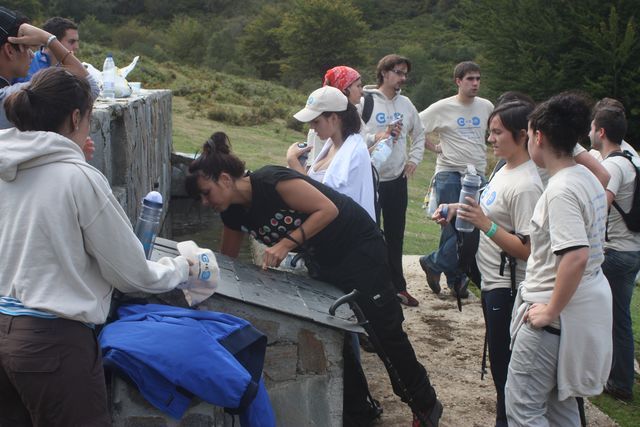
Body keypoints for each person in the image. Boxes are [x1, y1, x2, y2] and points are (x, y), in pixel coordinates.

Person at [186, 133, 443, 426]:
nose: (205, 202)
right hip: (324, 260)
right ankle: (358, 412)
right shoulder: (232, 213)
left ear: (224, 178)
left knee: (384, 332)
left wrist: (284, 244)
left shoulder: (270, 182)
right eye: (200, 198)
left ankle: (425, 404)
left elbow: (328, 209)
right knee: (333, 332)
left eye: (206, 193)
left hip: (358, 248)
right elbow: (228, 263)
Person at [0, 68, 191, 426]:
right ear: (76, 117)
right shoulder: (78, 179)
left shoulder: (7, 169)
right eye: (88, 118)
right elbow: (132, 274)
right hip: (53, 345)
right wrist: (182, 269)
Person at [504, 93, 612, 426]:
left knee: (523, 409)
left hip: (552, 318)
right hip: (575, 315)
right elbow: (603, 176)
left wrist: (550, 309)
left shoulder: (562, 189)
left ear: (538, 136)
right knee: (560, 406)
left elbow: (576, 255)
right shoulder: (588, 178)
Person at [433, 100, 542, 427]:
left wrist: (484, 224)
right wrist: (455, 208)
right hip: (493, 282)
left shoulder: (528, 185)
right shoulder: (504, 169)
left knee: (506, 368)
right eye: (489, 132)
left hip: (510, 289)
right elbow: (490, 208)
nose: (490, 139)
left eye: (497, 132)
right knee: (500, 366)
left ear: (522, 135)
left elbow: (527, 249)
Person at [418, 61, 494, 299]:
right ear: (458, 81)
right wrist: (435, 148)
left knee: (469, 228)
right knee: (455, 229)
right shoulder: (443, 107)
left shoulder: (486, 106)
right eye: (470, 79)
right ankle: (458, 279)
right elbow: (415, 127)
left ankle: (435, 264)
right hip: (449, 172)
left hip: (477, 173)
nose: (475, 84)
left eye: (478, 79)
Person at [361, 54, 426, 307]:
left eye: (405, 73)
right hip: (371, 179)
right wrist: (378, 135)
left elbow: (419, 134)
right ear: (384, 73)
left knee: (396, 235)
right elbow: (354, 136)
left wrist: (414, 159)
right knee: (372, 235)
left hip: (397, 180)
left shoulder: (407, 104)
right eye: (398, 72)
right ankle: (376, 289)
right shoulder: (366, 102)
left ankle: (399, 287)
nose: (403, 78)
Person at [589, 106, 640, 401]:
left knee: (613, 317)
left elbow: (600, 204)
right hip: (630, 250)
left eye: (592, 128)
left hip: (617, 253)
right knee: (616, 316)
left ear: (602, 132)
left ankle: (619, 382)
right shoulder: (628, 160)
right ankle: (616, 375)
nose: (589, 132)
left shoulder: (613, 167)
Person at [0, 7, 99, 129]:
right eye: (26, 47)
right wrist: (48, 39)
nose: (31, 54)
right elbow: (90, 88)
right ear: (9, 51)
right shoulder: (8, 99)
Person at [287, 85, 375, 220]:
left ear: (334, 118)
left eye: (316, 121)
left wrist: (294, 163)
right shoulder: (332, 145)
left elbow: (327, 202)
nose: (312, 127)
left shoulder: (354, 153)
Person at [13, 16, 79, 83]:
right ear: (56, 41)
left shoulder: (73, 69)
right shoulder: (26, 64)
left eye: (77, 41)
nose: (77, 47)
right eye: (71, 42)